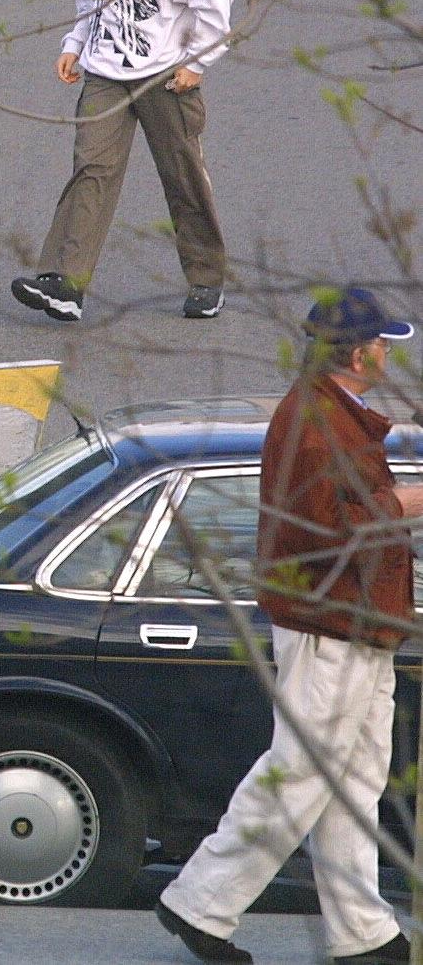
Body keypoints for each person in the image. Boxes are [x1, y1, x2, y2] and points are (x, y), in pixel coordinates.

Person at [156, 287, 423, 965]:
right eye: (384, 345)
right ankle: (201, 902)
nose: (390, 355)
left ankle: (362, 932)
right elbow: (334, 531)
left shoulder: (326, 415)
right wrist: (410, 499)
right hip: (332, 626)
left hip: (355, 626)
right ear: (359, 353)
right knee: (303, 771)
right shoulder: (316, 424)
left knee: (353, 777)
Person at [11, 0, 233, 323]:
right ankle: (65, 282)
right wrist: (74, 44)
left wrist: (198, 62)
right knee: (91, 170)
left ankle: (205, 278)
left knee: (182, 174)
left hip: (164, 75)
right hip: (105, 71)